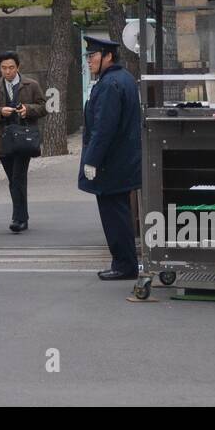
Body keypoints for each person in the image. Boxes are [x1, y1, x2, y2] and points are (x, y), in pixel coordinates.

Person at [78, 35, 142, 281]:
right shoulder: (122, 78)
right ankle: (124, 262)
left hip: (111, 164)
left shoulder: (108, 84)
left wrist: (91, 160)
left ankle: (124, 264)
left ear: (108, 56)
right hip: (121, 161)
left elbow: (103, 128)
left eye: (92, 56)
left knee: (114, 215)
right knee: (120, 213)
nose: (89, 62)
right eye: (88, 57)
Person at [0, 51, 46, 233]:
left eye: (11, 67)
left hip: (24, 138)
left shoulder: (31, 85)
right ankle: (21, 215)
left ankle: (19, 218)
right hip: (4, 140)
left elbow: (43, 107)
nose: (7, 71)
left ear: (18, 67)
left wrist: (28, 109)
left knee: (18, 177)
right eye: (3, 68)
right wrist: (0, 111)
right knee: (13, 179)